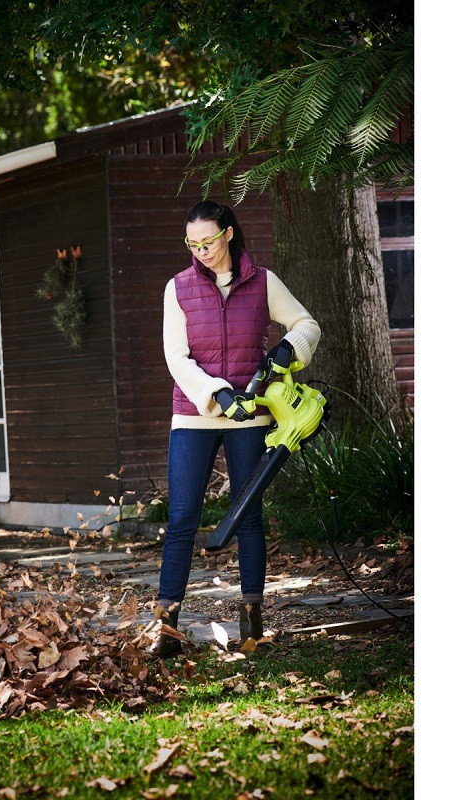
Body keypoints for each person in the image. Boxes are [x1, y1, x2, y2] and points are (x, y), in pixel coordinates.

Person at [147, 200, 321, 659]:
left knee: (249, 517)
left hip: (253, 417)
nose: (200, 251)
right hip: (194, 416)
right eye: (192, 244)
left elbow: (306, 324)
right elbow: (176, 358)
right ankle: (166, 626)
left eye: (207, 241)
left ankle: (251, 622)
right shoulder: (178, 288)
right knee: (182, 519)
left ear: (227, 234)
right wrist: (217, 394)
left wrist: (288, 348)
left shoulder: (262, 282)